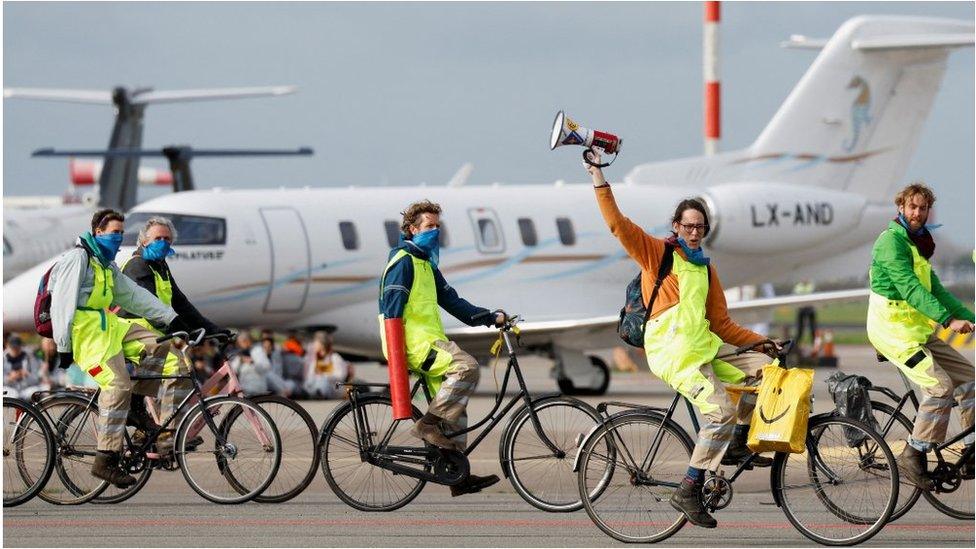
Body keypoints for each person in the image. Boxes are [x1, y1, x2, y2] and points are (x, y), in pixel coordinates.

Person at [585, 151, 778, 528]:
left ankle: (738, 440)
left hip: (705, 352)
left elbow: (722, 323)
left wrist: (762, 342)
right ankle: (688, 488)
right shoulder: (658, 254)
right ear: (676, 226)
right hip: (674, 357)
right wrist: (597, 175)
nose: (694, 232)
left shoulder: (706, 269)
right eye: (688, 226)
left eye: (700, 227)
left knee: (767, 373)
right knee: (718, 411)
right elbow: (617, 224)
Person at [47, 208, 188, 487]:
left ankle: (136, 406)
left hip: (110, 327)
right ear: (98, 231)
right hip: (87, 334)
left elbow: (134, 296)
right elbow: (61, 305)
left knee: (164, 348)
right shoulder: (78, 259)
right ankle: (105, 459)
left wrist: (171, 319)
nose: (119, 237)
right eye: (115, 232)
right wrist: (63, 346)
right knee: (117, 385)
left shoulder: (105, 264)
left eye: (122, 233)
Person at [379, 199, 505, 497]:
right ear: (411, 229)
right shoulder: (403, 263)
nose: (434, 232)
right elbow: (391, 312)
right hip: (413, 343)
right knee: (467, 367)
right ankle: (426, 425)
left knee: (456, 412)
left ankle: (457, 477)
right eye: (428, 226)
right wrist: (397, 359)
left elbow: (453, 302)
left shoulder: (426, 264)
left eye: (438, 226)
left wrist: (490, 317)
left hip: (431, 341)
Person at [866, 182, 974, 490]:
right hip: (892, 333)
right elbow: (910, 289)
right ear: (900, 207)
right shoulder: (890, 243)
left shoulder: (917, 244)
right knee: (940, 387)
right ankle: (913, 454)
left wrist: (968, 317)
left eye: (923, 208)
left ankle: (970, 451)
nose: (917, 213)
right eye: (912, 207)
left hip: (916, 332)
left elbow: (936, 290)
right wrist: (948, 320)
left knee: (969, 378)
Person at [303, 331, 350, 398]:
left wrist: (324, 375)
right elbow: (308, 376)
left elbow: (341, 375)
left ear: (322, 344)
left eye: (316, 343)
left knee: (322, 380)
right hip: (314, 384)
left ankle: (318, 393)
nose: (314, 345)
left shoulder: (334, 357)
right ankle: (314, 392)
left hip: (332, 387)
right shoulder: (313, 359)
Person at [3, 335, 48, 399]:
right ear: (7, 346)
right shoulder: (2, 359)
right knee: (13, 395)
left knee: (39, 391)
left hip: (26, 389)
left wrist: (27, 375)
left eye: (17, 347)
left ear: (21, 346)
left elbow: (37, 379)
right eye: (13, 348)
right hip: (9, 389)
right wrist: (9, 378)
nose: (15, 350)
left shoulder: (30, 357)